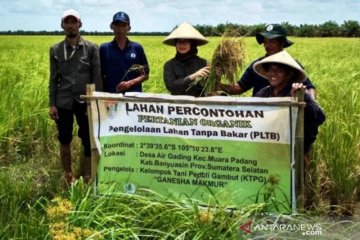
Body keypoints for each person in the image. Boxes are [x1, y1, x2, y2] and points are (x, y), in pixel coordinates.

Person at [253, 50, 325, 209]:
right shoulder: (263, 93)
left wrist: (300, 97)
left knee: (293, 194)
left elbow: (319, 117)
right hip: (270, 152)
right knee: (270, 190)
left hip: (295, 153)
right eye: (270, 69)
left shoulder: (299, 92)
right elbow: (253, 118)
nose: (273, 73)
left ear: (288, 73)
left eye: (278, 70)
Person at [49, 9, 102, 184]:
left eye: (74, 22)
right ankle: (68, 174)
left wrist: (95, 101)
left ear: (80, 24)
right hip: (63, 101)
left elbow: (96, 76)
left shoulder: (91, 48)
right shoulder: (56, 49)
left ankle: (87, 174)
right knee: (64, 138)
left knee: (87, 139)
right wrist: (52, 103)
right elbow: (53, 78)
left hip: (84, 101)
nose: (71, 25)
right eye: (67, 22)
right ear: (62, 25)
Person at [219, 24, 316, 99]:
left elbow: (309, 87)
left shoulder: (291, 65)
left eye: (272, 41)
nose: (267, 45)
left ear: (282, 43)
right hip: (260, 113)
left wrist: (312, 103)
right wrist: (218, 85)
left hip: (283, 114)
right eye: (265, 41)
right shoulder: (257, 65)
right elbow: (239, 87)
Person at [100, 11, 149, 93]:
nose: (120, 29)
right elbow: (99, 75)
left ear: (129, 28)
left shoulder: (137, 48)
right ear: (112, 27)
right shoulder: (104, 48)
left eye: (123, 25)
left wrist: (130, 83)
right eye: (117, 25)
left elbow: (145, 75)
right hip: (110, 96)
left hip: (133, 97)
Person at [163, 22, 210, 97]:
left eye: (186, 42)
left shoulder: (203, 63)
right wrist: (194, 76)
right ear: (175, 44)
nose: (182, 45)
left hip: (200, 105)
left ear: (192, 44)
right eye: (179, 42)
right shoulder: (169, 65)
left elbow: (210, 86)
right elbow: (172, 87)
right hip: (177, 105)